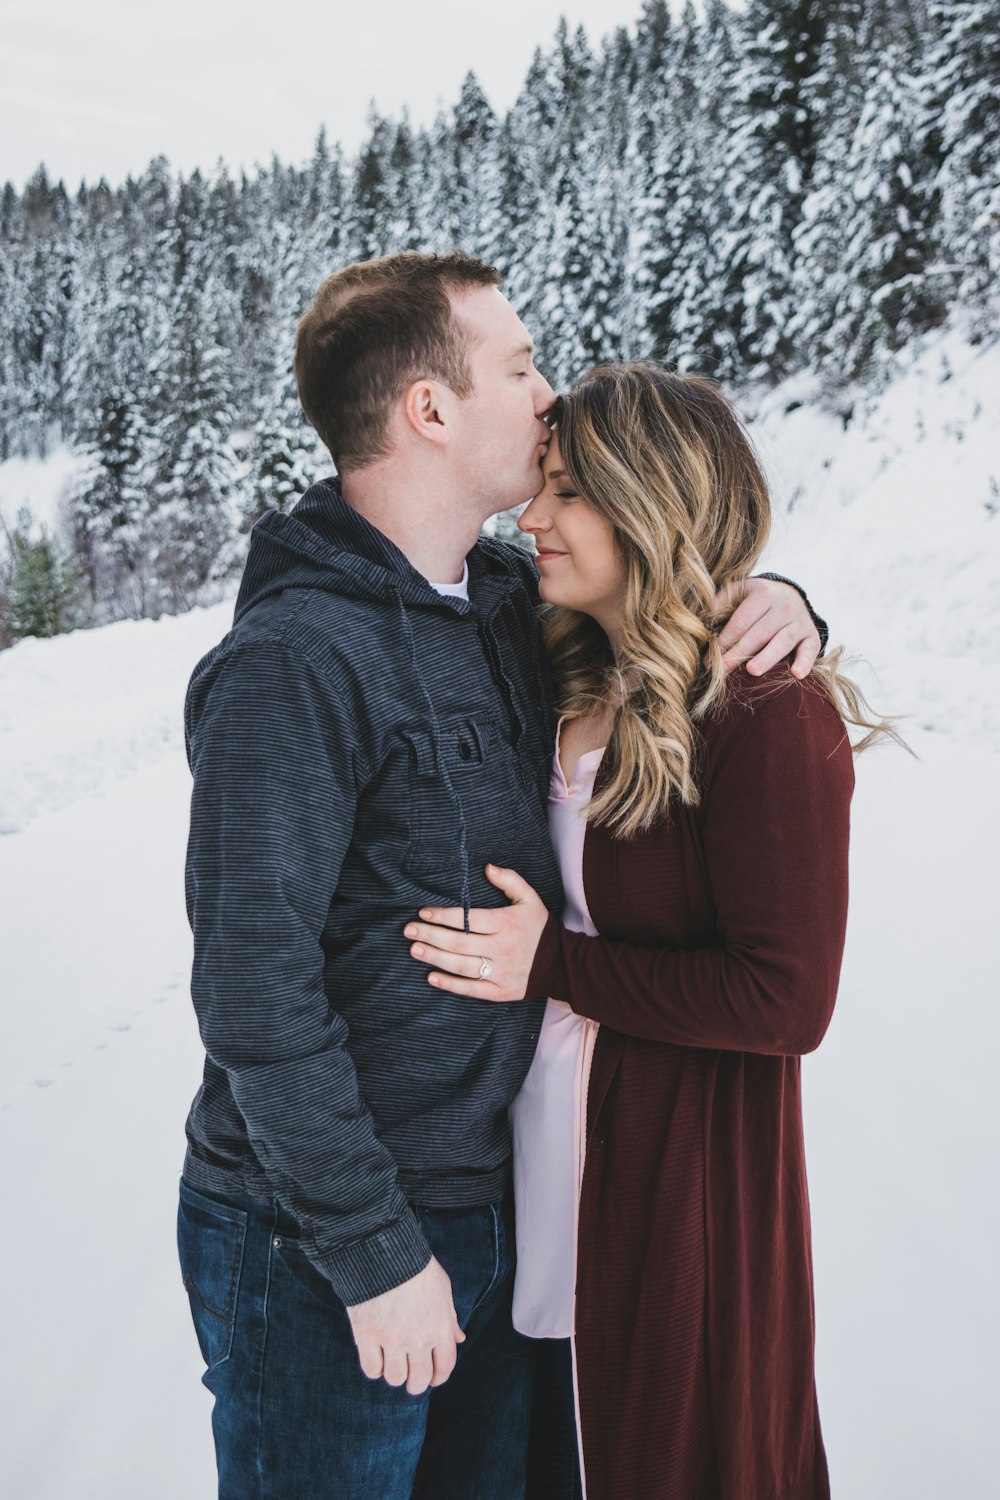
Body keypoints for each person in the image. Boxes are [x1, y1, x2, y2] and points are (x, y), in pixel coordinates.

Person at [176, 254, 826, 1500]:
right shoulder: (295, 663)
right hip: (327, 1241)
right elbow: (256, 993)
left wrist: (784, 603)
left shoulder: (502, 604)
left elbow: (661, 574)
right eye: (521, 368)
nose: (545, 394)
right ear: (429, 409)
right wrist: (373, 1253)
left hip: (491, 1213)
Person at [404, 363, 893, 1500]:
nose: (532, 520)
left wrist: (555, 966)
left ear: (648, 496)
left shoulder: (765, 712)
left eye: (567, 492)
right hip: (533, 1161)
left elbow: (787, 1000)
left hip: (676, 1195)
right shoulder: (559, 665)